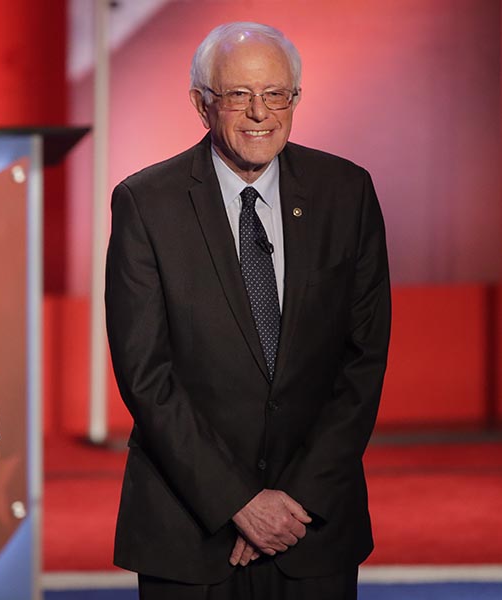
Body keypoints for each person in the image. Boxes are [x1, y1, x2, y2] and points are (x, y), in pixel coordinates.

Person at [105, 22, 391, 599]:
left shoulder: (347, 192)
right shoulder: (146, 203)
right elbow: (145, 375)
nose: (260, 113)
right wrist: (236, 502)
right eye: (238, 95)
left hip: (310, 528)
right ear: (201, 104)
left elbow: (364, 360)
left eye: (276, 94)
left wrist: (296, 500)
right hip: (190, 532)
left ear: (295, 99)